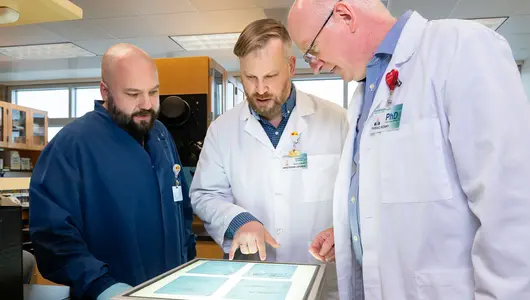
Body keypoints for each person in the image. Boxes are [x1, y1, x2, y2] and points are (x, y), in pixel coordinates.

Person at [288, 0, 530, 299]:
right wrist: (353, 231)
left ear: (345, 16)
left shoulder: (460, 48)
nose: (314, 66)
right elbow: (405, 192)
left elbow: (510, 204)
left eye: (311, 50)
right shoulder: (366, 91)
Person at [190, 18, 348, 298]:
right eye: (250, 77)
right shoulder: (222, 130)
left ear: (289, 67)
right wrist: (240, 221)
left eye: (270, 76)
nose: (260, 89)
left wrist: (343, 231)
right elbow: (204, 194)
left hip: (323, 278)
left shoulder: (336, 121)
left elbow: (359, 193)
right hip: (254, 281)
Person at [29, 43, 196, 300]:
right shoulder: (72, 146)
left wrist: (189, 267)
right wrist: (102, 287)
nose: (146, 104)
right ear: (105, 91)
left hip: (173, 290)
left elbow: (181, 210)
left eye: (153, 92)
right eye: (132, 94)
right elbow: (53, 237)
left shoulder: (161, 135)